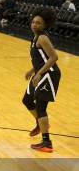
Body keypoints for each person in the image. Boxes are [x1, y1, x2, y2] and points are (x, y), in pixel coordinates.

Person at [22, 9, 61, 152]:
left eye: (38, 23)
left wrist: (38, 73)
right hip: (40, 73)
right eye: (33, 22)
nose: (34, 25)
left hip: (49, 74)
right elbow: (41, 58)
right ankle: (40, 123)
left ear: (45, 25)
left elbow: (53, 57)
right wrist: (32, 70)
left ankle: (47, 142)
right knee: (26, 100)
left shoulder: (43, 38)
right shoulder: (35, 37)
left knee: (41, 107)